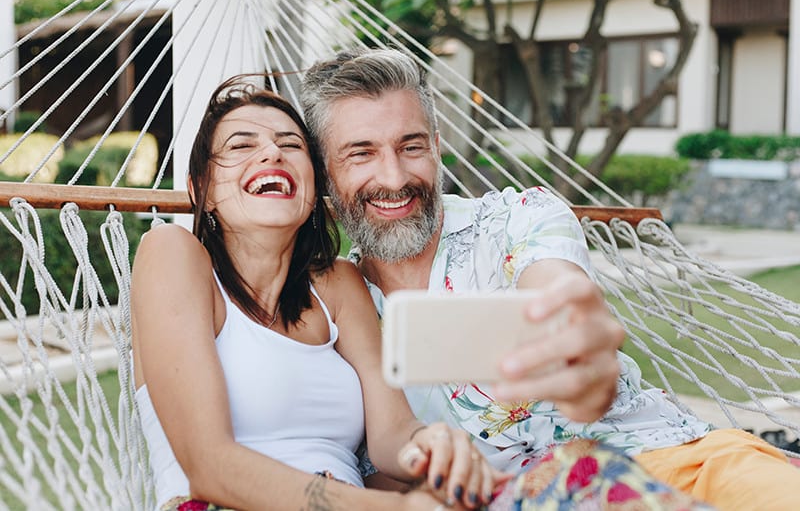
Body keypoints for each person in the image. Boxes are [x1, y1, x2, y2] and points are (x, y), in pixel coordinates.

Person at [299, 47, 800, 511]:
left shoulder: (519, 219)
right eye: (360, 153)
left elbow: (560, 290)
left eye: (410, 146)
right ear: (325, 174)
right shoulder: (335, 307)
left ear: (435, 147)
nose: (393, 177)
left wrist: (583, 356)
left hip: (667, 458)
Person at [130, 76, 505, 511]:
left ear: (313, 187)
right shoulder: (172, 254)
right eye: (241, 145)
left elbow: (391, 435)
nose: (272, 152)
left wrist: (432, 443)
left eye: (291, 144)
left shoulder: (339, 285)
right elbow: (208, 465)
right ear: (203, 189)